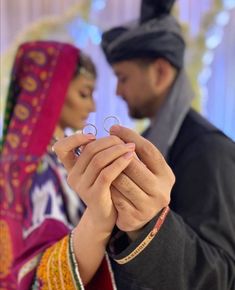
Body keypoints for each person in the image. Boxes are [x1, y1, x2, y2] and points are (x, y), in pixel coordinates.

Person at [0, 40, 176, 290]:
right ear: (52, 91)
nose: (92, 106)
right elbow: (36, 272)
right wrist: (99, 220)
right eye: (84, 93)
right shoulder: (34, 167)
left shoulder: (40, 158)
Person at [100, 0, 235, 289]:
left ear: (160, 72)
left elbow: (221, 274)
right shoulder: (151, 138)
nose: (118, 91)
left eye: (123, 78)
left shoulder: (209, 149)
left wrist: (147, 225)